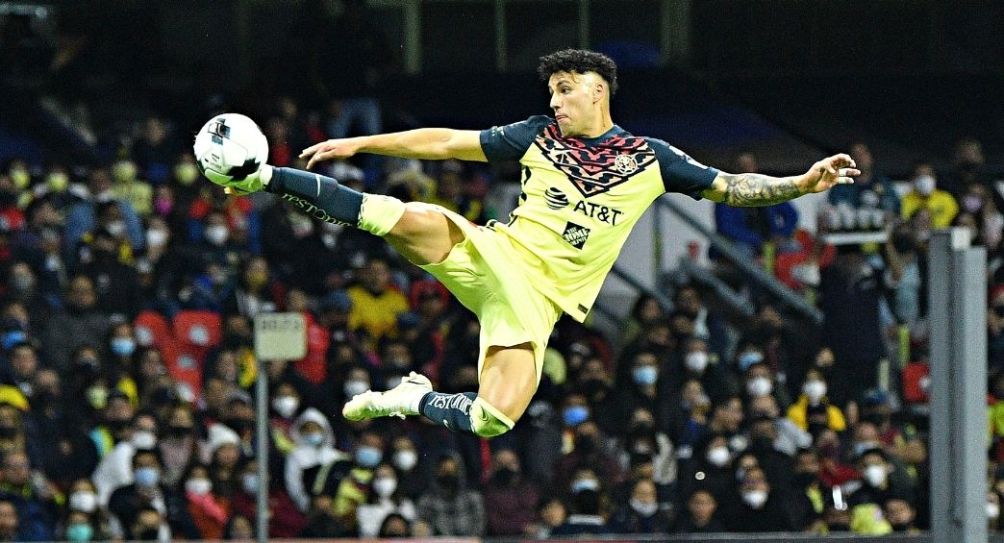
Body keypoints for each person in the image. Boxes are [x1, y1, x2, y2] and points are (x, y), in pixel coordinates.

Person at [208, 48, 859, 439]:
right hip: (498, 255)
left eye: (565, 90)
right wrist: (361, 142)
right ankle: (259, 175)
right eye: (551, 91)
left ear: (598, 91)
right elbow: (446, 141)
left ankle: (412, 397)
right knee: (404, 219)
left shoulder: (652, 158)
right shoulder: (536, 137)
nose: (555, 100)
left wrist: (800, 182)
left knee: (495, 418)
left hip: (537, 305)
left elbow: (732, 187)